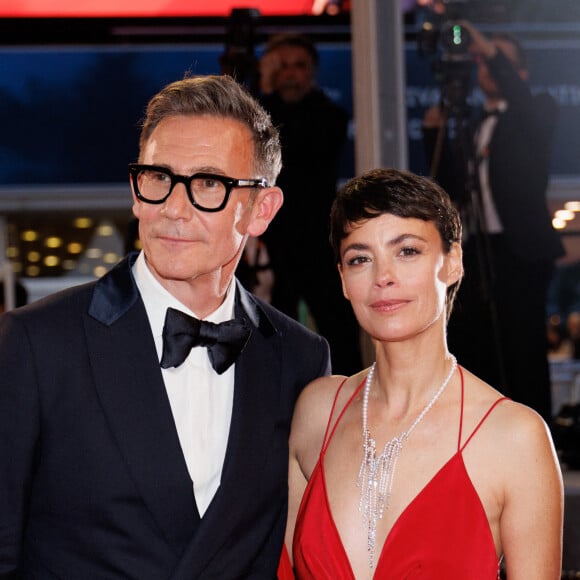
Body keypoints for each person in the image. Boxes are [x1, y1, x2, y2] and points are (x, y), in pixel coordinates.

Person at [0, 75, 332, 579]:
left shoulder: (301, 359)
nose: (172, 209)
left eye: (207, 184)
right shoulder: (36, 343)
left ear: (261, 210)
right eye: (158, 177)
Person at [284, 168, 563, 578]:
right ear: (343, 280)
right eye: (360, 258)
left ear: (452, 263)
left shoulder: (515, 437)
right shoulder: (317, 411)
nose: (383, 277)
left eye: (407, 251)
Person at [423, 21, 564, 422]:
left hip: (522, 251)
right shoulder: (471, 122)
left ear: (518, 71)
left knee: (524, 347)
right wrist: (434, 135)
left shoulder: (537, 110)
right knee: (477, 346)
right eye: (481, 62)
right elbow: (451, 189)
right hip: (480, 249)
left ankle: (537, 435)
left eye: (494, 61)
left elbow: (522, 101)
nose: (484, 67)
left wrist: (487, 45)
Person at [258, 32, 362, 376]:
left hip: (320, 241)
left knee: (340, 332)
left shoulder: (329, 115)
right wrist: (264, 86)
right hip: (271, 242)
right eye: (282, 66)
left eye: (298, 66)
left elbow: (297, 148)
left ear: (312, 71)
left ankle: (352, 403)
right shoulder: (261, 111)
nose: (290, 73)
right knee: (270, 336)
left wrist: (269, 94)